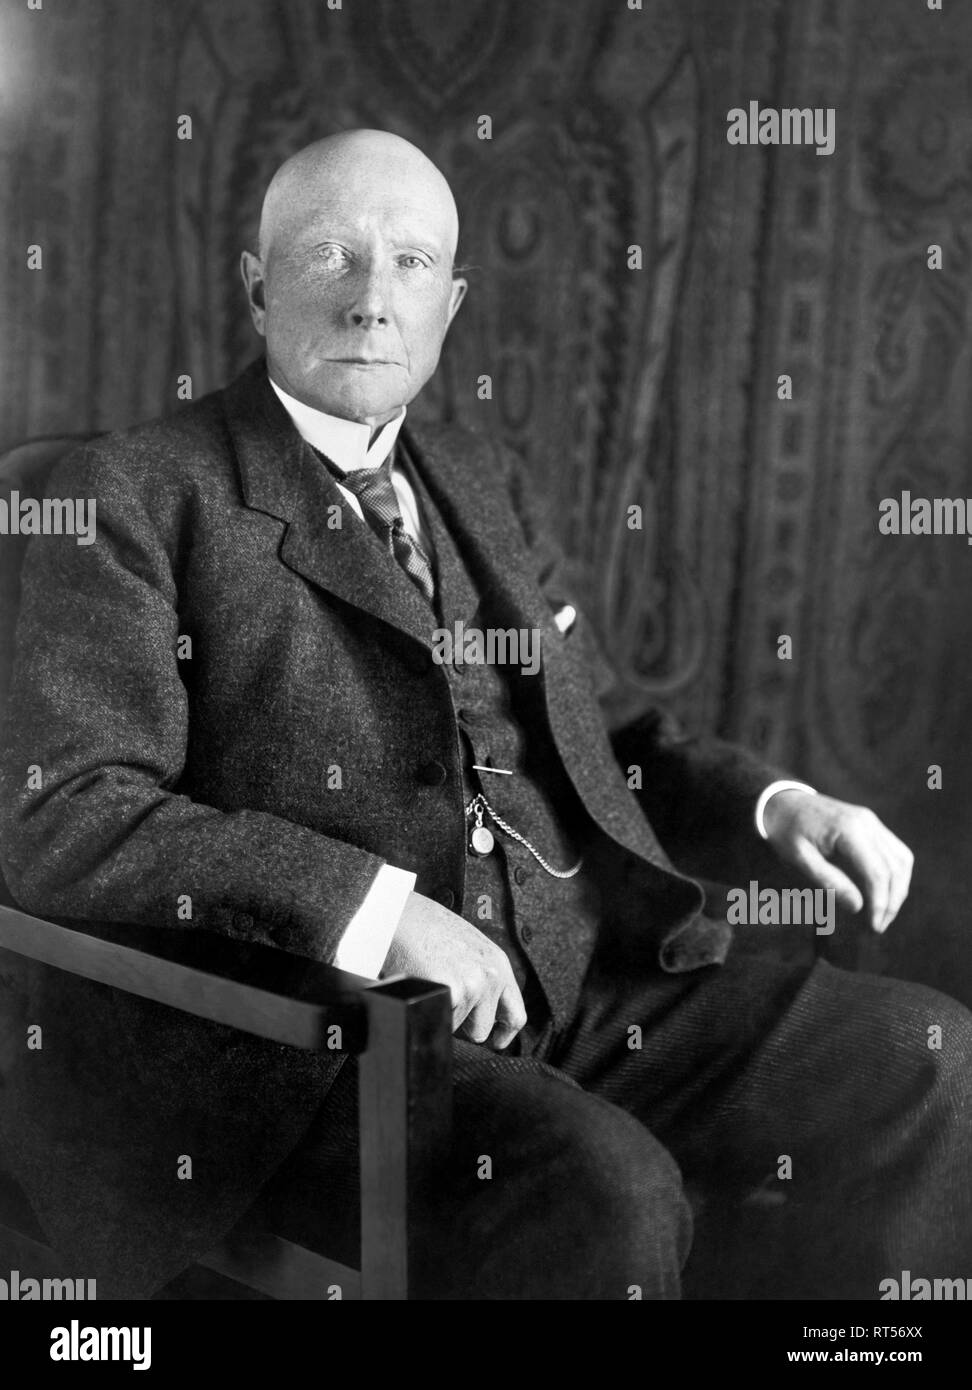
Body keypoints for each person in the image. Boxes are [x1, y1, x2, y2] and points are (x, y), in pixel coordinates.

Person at [0, 130, 969, 1301]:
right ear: (257, 285)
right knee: (613, 1193)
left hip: (584, 987)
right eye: (328, 256)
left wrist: (781, 800)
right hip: (328, 1045)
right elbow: (70, 812)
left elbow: (601, 732)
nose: (371, 299)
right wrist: (378, 911)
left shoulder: (475, 474)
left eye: (411, 264)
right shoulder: (136, 493)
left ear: (450, 303)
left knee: (924, 1064)